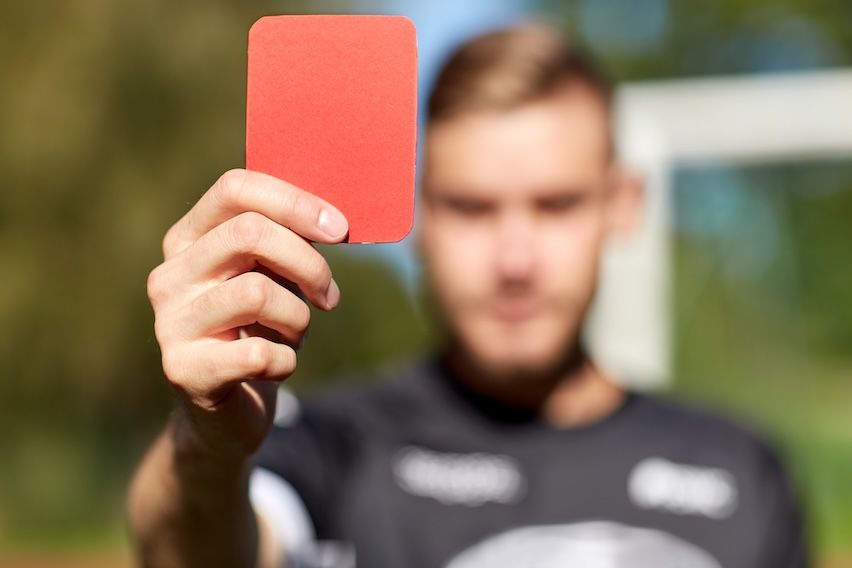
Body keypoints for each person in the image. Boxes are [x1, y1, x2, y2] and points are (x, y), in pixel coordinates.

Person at [127, 24, 808, 568]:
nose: (515, 260)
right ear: (419, 213)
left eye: (555, 205)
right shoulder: (334, 446)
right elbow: (195, 554)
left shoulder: (741, 472)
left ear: (622, 204)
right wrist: (208, 442)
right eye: (473, 208)